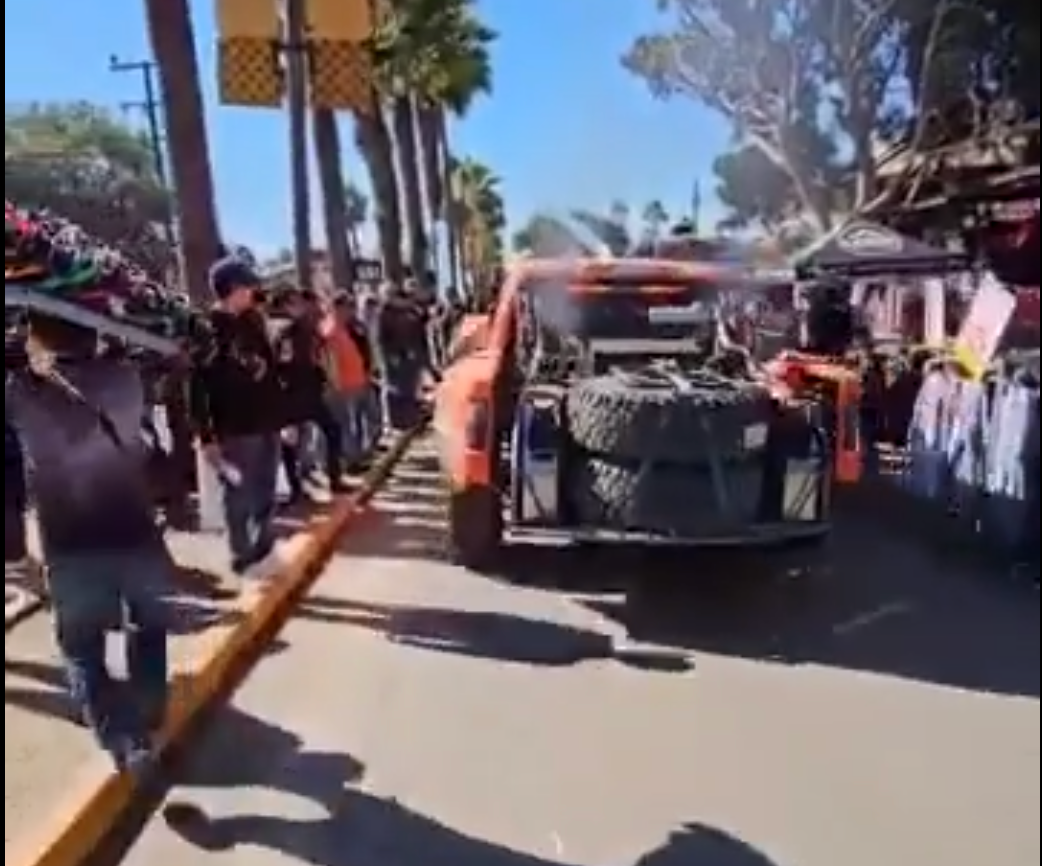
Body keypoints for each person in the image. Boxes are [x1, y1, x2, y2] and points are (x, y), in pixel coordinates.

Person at [7, 312, 170, 770]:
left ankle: (121, 737)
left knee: (81, 643)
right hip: (133, 528)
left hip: (70, 540)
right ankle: (151, 709)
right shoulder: (125, 378)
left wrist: (21, 348)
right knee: (149, 623)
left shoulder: (22, 393)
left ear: (40, 335)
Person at [190, 257, 285, 579]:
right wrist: (205, 435)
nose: (252, 292)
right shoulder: (206, 329)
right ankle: (241, 554)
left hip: (266, 422)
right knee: (239, 495)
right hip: (233, 427)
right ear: (231, 288)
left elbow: (271, 372)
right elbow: (196, 386)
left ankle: (264, 548)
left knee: (266, 491)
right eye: (247, 286)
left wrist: (282, 419)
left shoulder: (253, 323)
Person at [276, 288, 347, 493]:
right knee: (290, 442)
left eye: (300, 302)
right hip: (293, 394)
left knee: (333, 431)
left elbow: (320, 354)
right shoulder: (286, 332)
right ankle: (294, 487)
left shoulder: (309, 328)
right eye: (295, 302)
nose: (300, 306)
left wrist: (325, 377)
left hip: (312, 391)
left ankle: (334, 479)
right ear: (286, 305)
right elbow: (283, 366)